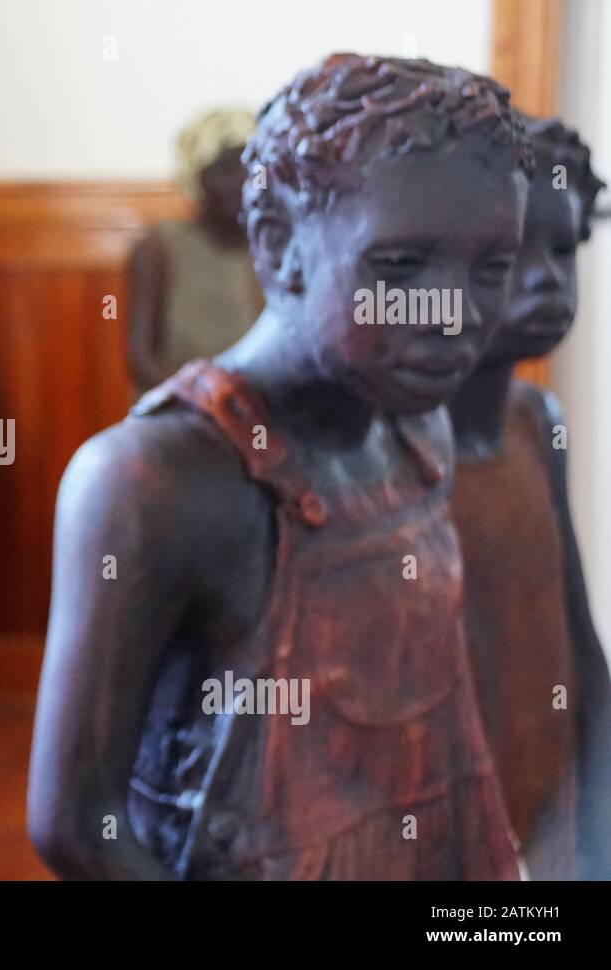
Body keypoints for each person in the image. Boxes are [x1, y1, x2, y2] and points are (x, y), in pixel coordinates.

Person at [29, 54, 531, 880]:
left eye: (491, 270)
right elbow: (78, 822)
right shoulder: (154, 481)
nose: (457, 315)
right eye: (400, 269)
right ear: (279, 243)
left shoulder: (417, 432)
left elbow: (448, 747)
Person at [448, 115, 610, 879]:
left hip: (550, 808)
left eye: (566, 248)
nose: (550, 278)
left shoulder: (537, 421)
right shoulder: (393, 452)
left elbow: (574, 626)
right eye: (515, 256)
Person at [127, 108, 263, 395]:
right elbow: (142, 362)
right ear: (194, 178)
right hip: (180, 414)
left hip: (260, 416)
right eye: (222, 169)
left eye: (247, 167)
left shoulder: (274, 248)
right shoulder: (159, 248)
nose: (239, 182)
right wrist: (207, 400)